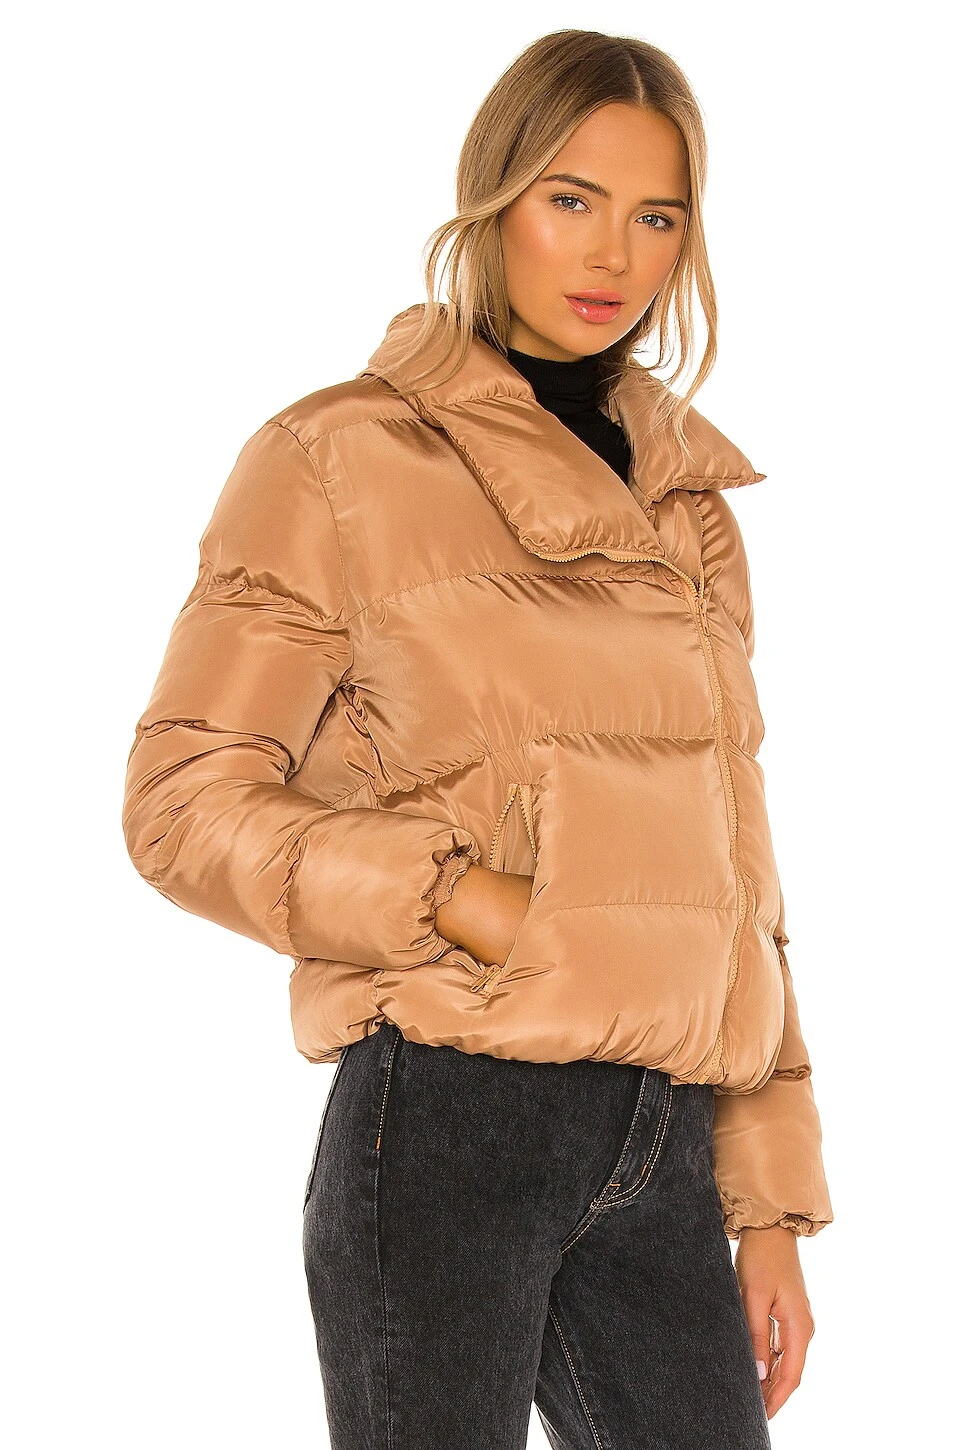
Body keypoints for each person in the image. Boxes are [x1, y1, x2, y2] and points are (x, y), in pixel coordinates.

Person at [122, 28, 833, 1450]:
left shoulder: (691, 509)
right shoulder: (338, 460)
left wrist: (768, 1206)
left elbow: (738, 879)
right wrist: (457, 897)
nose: (613, 252)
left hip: (661, 1140)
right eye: (572, 199)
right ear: (493, 198)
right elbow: (181, 802)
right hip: (452, 1119)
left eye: (657, 216)